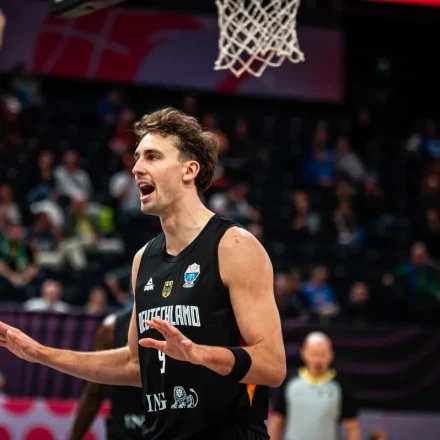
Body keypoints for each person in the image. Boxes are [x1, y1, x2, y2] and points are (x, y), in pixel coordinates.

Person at [0, 107, 286, 440]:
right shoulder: (143, 260)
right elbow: (135, 365)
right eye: (137, 157)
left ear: (189, 170)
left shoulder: (234, 246)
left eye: (152, 157)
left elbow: (272, 365)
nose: (136, 168)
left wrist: (200, 355)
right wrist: (41, 354)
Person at [68, 307, 144, 440]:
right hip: (126, 427)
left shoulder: (113, 325)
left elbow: (95, 392)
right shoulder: (112, 326)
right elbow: (94, 391)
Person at [268, 332, 361, 440]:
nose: (318, 360)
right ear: (303, 353)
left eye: (322, 354)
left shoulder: (340, 385)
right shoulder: (290, 382)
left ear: (331, 355)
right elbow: (277, 420)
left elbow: (352, 426)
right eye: (314, 354)